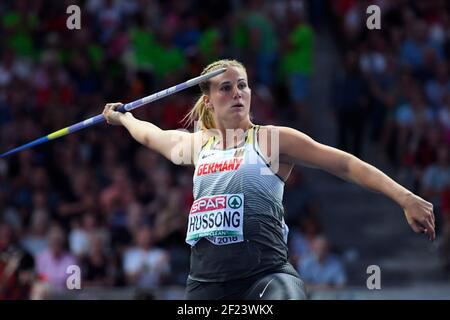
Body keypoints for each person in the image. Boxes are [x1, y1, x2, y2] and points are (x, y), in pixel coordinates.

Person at [103, 59, 435, 300]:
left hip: (265, 276)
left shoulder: (270, 140)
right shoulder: (196, 145)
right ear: (209, 100)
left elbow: (344, 164)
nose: (238, 93)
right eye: (226, 87)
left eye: (243, 85)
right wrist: (124, 118)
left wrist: (405, 197)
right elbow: (150, 135)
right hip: (207, 282)